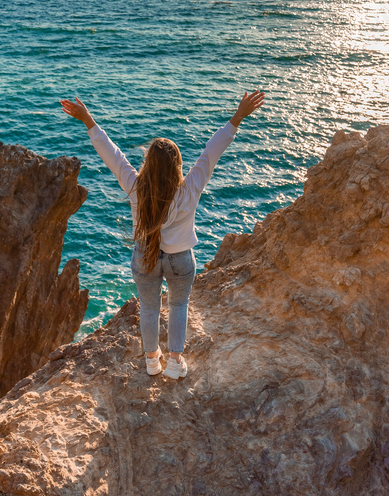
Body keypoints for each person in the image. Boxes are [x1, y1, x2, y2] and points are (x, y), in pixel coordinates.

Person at [60, 90, 265, 379]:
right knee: (179, 305)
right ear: (177, 165)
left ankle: (151, 362)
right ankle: (174, 363)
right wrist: (238, 116)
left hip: (144, 256)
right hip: (180, 258)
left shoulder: (134, 186)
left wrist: (88, 120)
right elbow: (211, 151)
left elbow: (112, 154)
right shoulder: (190, 188)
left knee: (149, 308)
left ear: (148, 165)